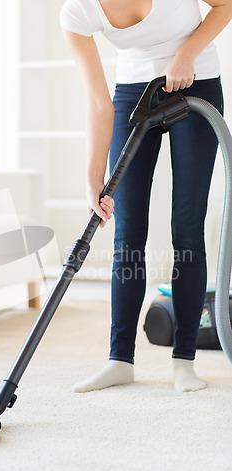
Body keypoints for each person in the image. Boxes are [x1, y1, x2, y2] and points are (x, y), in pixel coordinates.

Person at [60, 0, 232, 392]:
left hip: (197, 82)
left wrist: (186, 53)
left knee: (187, 227)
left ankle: (184, 361)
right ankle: (120, 359)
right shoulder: (77, 12)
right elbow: (98, 102)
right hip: (133, 92)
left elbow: (225, 4)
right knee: (128, 233)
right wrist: (92, 178)